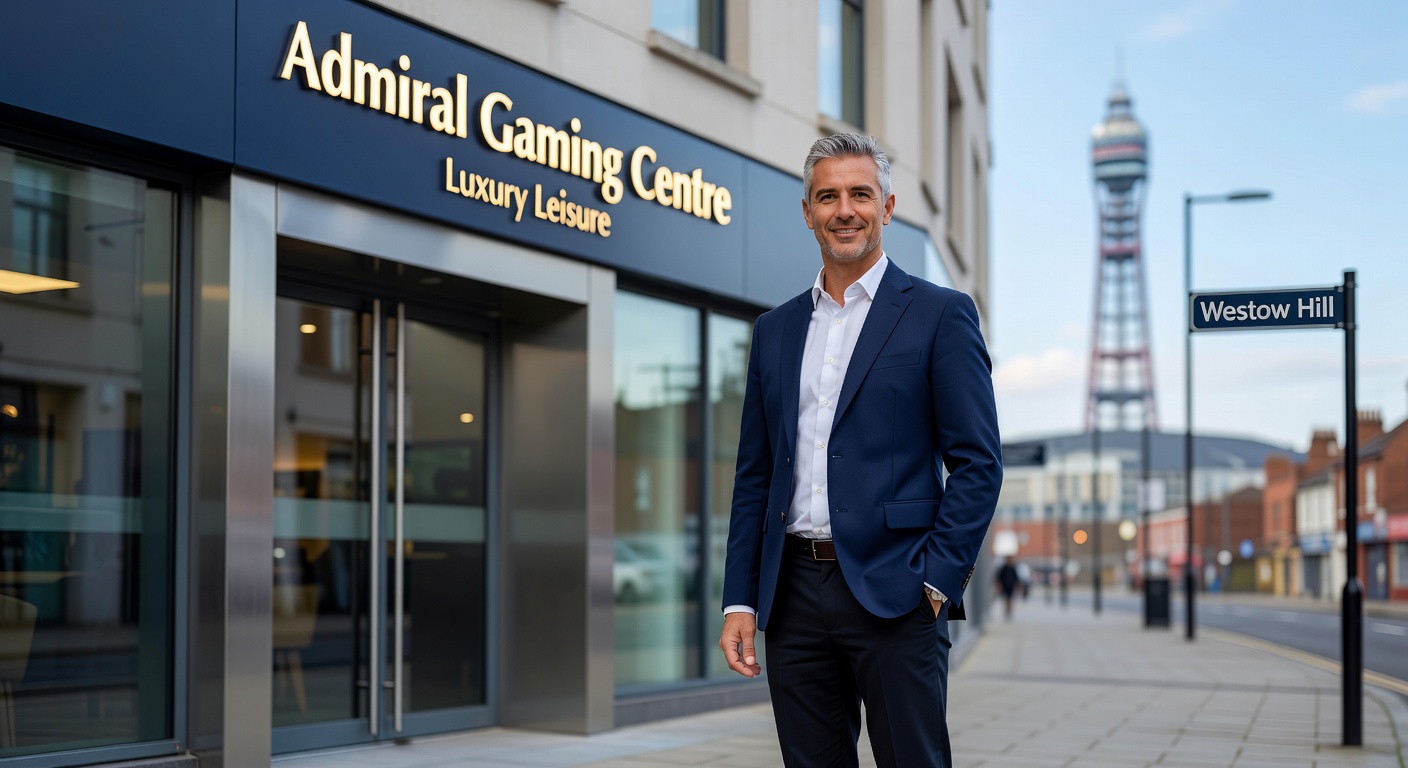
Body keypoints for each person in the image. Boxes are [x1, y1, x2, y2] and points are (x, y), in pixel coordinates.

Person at [718, 133, 1002, 768]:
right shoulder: (775, 330)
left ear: (888, 206)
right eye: (828, 196)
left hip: (898, 590)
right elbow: (756, 475)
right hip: (792, 595)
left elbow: (979, 463)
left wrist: (936, 580)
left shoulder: (940, 314)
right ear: (808, 212)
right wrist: (741, 598)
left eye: (859, 194)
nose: (844, 210)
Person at [997, 556, 1020, 620]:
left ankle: (1009, 612)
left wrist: (1017, 585)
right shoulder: (1004, 568)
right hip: (1005, 585)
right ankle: (1007, 612)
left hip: (1011, 586)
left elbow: (1016, 578)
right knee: (1006, 599)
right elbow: (999, 577)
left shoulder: (1013, 568)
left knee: (1010, 599)